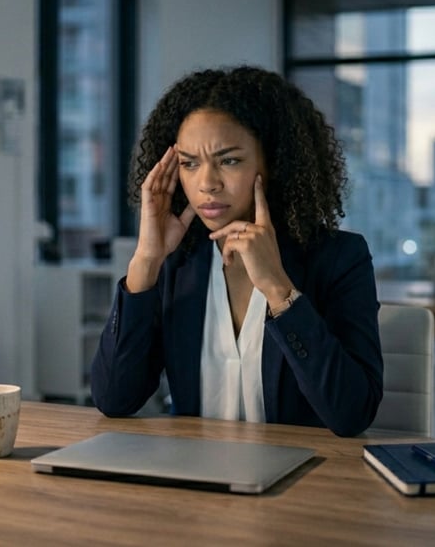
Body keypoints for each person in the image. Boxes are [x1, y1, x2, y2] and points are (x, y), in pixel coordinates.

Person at [90, 65, 383, 437]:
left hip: (306, 482)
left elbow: (352, 414)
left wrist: (280, 291)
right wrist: (146, 262)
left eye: (229, 160)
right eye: (189, 164)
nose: (207, 183)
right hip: (197, 482)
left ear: (272, 162)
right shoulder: (176, 262)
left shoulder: (340, 258)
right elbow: (114, 398)